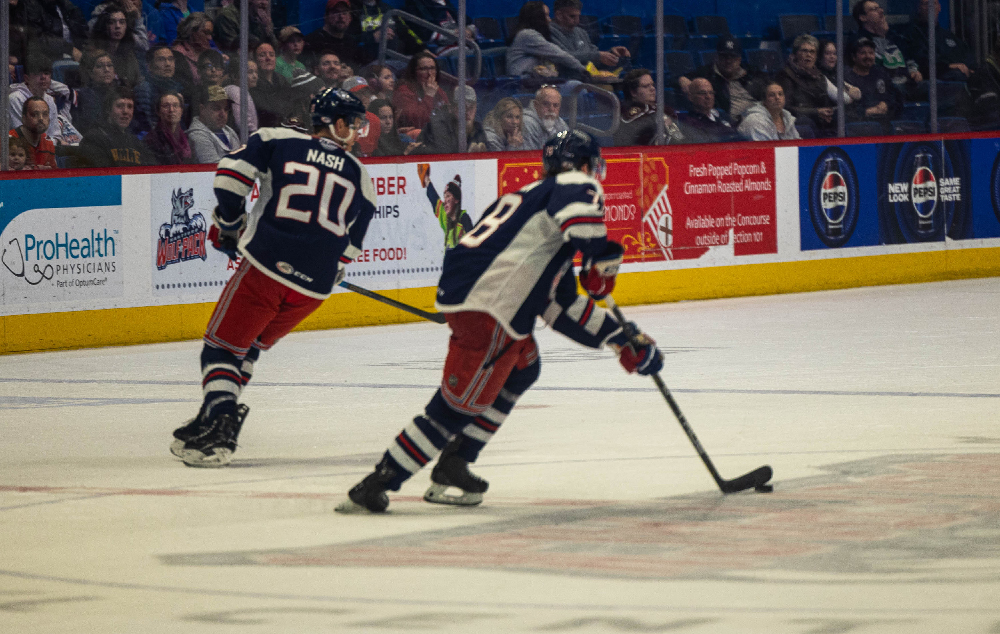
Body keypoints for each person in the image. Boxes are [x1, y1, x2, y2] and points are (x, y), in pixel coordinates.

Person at [335, 130, 663, 513]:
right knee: (451, 410)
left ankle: (457, 462)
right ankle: (376, 484)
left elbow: (560, 306)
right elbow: (587, 234)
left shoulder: (528, 201)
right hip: (492, 308)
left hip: (475, 300)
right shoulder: (576, 185)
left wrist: (621, 337)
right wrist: (599, 257)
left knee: (524, 368)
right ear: (587, 165)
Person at [169, 88, 376, 468]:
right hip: (313, 291)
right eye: (356, 121)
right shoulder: (361, 175)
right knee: (248, 347)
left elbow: (230, 177)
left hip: (267, 267)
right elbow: (351, 248)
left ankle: (220, 420)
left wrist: (230, 225)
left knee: (220, 348)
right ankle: (214, 411)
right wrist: (328, 264)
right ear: (338, 123)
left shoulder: (275, 139)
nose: (358, 130)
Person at [778, 34, 859, 136]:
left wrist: (829, 112)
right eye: (804, 51)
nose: (809, 55)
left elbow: (826, 103)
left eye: (812, 51)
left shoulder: (819, 76)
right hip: (801, 122)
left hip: (821, 120)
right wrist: (816, 112)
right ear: (795, 54)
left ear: (816, 56)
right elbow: (785, 108)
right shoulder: (786, 76)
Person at [679, 36, 760, 123]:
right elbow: (672, 80)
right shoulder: (707, 73)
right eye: (724, 56)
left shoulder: (751, 73)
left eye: (732, 57)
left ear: (739, 59)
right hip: (732, 123)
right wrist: (682, 79)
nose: (728, 61)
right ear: (716, 57)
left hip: (759, 116)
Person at [850, 0, 922, 93]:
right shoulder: (859, 41)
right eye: (874, 9)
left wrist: (914, 71)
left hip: (907, 83)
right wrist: (882, 37)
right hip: (883, 88)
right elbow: (870, 68)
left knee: (936, 89)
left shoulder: (893, 36)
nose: (881, 11)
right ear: (863, 17)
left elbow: (909, 58)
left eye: (879, 8)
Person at [507, 1, 588, 80]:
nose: (549, 20)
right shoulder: (527, 35)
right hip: (522, 83)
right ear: (536, 18)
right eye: (546, 16)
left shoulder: (532, 34)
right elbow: (558, 54)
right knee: (575, 86)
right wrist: (583, 69)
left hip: (534, 81)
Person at [76, 86, 156, 167]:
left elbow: (153, 170)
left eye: (130, 107)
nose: (125, 111)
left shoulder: (135, 142)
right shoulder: (94, 139)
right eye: (119, 106)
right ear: (108, 109)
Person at [899, 0, 973, 83]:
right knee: (956, 75)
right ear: (919, 8)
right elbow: (922, 63)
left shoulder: (948, 35)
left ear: (939, 7)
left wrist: (970, 68)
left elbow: (967, 55)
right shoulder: (913, 34)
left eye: (933, 3)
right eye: (926, 4)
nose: (930, 7)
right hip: (937, 81)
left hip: (963, 76)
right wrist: (948, 66)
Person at [549, 0, 630, 71]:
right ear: (559, 15)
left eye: (578, 16)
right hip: (564, 82)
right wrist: (597, 56)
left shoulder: (581, 32)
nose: (577, 21)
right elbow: (562, 57)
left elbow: (594, 55)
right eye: (572, 16)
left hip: (588, 80)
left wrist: (611, 54)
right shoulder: (548, 32)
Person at [844, 36, 903, 131]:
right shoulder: (846, 77)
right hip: (859, 128)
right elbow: (845, 109)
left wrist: (887, 104)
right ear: (854, 57)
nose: (868, 56)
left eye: (871, 53)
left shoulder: (880, 73)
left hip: (884, 124)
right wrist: (866, 112)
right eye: (863, 53)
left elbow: (895, 97)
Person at [614, 68, 683, 146]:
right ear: (633, 92)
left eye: (652, 85)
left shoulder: (665, 109)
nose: (652, 89)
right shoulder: (631, 116)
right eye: (646, 86)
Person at [411, 84, 487, 155]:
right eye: (462, 107)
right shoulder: (438, 127)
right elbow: (444, 158)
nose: (467, 112)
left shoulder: (478, 129)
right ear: (451, 108)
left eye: (471, 107)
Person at [8, 55, 65, 143]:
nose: (43, 77)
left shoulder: (49, 100)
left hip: (46, 149)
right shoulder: (15, 98)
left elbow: (55, 135)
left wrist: (52, 143)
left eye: (46, 73)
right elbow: (21, 135)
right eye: (37, 73)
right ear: (27, 78)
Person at [392, 51, 449, 139]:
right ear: (414, 72)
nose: (429, 73)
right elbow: (418, 122)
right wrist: (429, 96)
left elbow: (448, 117)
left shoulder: (439, 91)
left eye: (432, 68)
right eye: (424, 69)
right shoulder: (403, 92)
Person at [133, 45, 187, 134]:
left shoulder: (177, 88)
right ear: (149, 66)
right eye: (161, 60)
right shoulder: (144, 89)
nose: (168, 64)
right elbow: (148, 124)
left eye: (170, 59)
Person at [87, 4, 144, 88]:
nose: (117, 26)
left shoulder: (129, 55)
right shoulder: (93, 53)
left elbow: (137, 82)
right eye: (111, 22)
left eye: (122, 22)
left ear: (126, 26)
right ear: (104, 25)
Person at [677, 77, 745, 143]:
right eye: (702, 93)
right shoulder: (688, 122)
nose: (708, 97)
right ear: (690, 97)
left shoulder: (721, 114)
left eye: (711, 93)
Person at [187, 85, 240, 164]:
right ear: (202, 109)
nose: (223, 114)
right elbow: (214, 169)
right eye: (216, 108)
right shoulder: (197, 136)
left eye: (226, 109)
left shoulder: (230, 131)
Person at [72, 50, 120, 136]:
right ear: (91, 73)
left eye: (109, 65)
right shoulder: (82, 96)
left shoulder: (121, 94)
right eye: (100, 66)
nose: (106, 70)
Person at [303, 0, 361, 70]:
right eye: (336, 12)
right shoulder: (312, 42)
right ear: (326, 16)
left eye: (345, 13)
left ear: (350, 18)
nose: (341, 16)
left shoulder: (351, 43)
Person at [250, 41, 293, 127]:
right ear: (255, 60)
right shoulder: (252, 84)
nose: (268, 58)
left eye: (271, 54)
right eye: (262, 55)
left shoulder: (283, 81)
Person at [171, 12, 217, 91]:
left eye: (210, 34)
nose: (209, 38)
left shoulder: (209, 54)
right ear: (191, 31)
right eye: (205, 33)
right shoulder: (177, 55)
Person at [214, 0, 282, 54]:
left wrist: (268, 31)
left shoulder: (264, 20)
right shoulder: (227, 16)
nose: (264, 2)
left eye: (266, 0)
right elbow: (233, 49)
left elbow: (276, 52)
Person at [143, 91, 193, 164]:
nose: (171, 110)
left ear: (181, 111)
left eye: (175, 105)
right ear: (158, 111)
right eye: (166, 106)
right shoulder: (151, 141)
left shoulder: (189, 140)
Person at [9, 96, 58, 168]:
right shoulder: (7, 140)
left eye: (45, 114)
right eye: (34, 114)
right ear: (24, 118)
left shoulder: (48, 143)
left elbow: (56, 175)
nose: (41, 118)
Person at [521, 84, 568, 149]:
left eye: (555, 105)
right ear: (536, 105)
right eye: (546, 104)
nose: (551, 109)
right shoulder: (527, 123)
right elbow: (530, 156)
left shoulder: (560, 123)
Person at [225, 60, 259, 137]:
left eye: (256, 72)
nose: (255, 76)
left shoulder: (241, 91)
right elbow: (242, 123)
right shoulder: (236, 91)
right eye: (250, 72)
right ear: (234, 76)